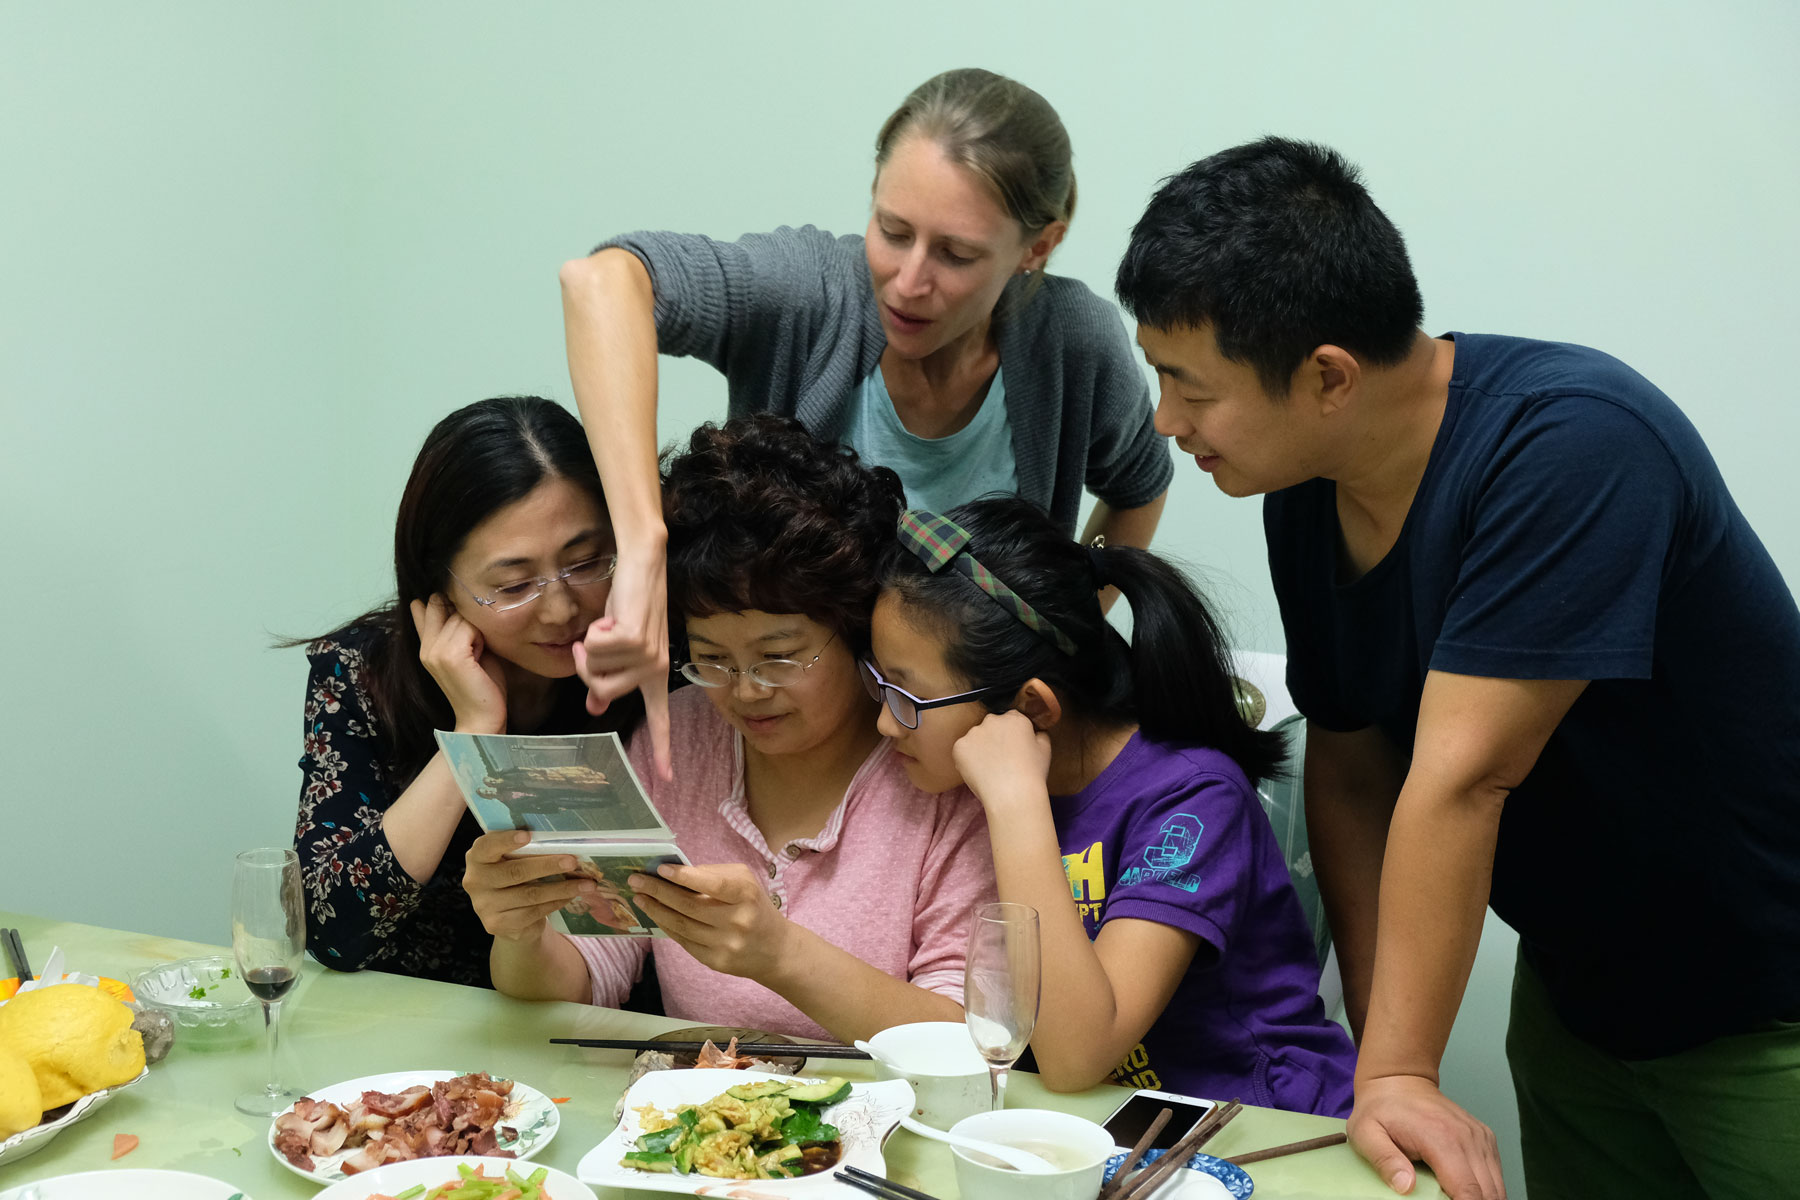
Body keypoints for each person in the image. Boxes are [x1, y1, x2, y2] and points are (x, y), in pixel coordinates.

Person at [1116, 137, 1800, 1198]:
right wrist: (1384, 1059)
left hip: (1766, 1009)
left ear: (1327, 377)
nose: (1167, 421)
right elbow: (1351, 766)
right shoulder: (1307, 485)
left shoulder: (1572, 445)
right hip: (1581, 995)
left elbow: (1464, 775)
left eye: (1187, 385)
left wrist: (1398, 1065)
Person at [560, 67, 1172, 776]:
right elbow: (602, 281)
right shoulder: (809, 291)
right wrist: (641, 549)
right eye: (892, 231)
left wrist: (1048, 629)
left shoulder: (1073, 344)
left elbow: (1139, 485)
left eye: (956, 254)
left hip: (945, 753)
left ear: (1036, 248)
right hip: (785, 735)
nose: (909, 282)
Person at [462, 416, 997, 1041]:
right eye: (711, 658)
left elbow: (970, 1039)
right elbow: (590, 974)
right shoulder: (680, 736)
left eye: (780, 656)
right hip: (704, 1123)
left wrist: (782, 956)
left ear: (855, 633)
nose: (745, 690)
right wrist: (521, 931)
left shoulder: (937, 764)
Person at [870, 496, 1357, 1115]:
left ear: (1031, 708)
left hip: (1259, 1125)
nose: (886, 723)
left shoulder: (1193, 800)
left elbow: (1077, 1055)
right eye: (878, 682)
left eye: (908, 695)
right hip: (1106, 1125)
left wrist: (1017, 804)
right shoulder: (953, 784)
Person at [293, 396, 639, 987]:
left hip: (595, 1024)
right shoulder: (362, 669)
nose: (560, 609)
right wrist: (473, 728)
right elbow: (330, 930)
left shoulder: (662, 668)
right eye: (514, 584)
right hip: (416, 1037)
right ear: (440, 586)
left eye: (586, 563)